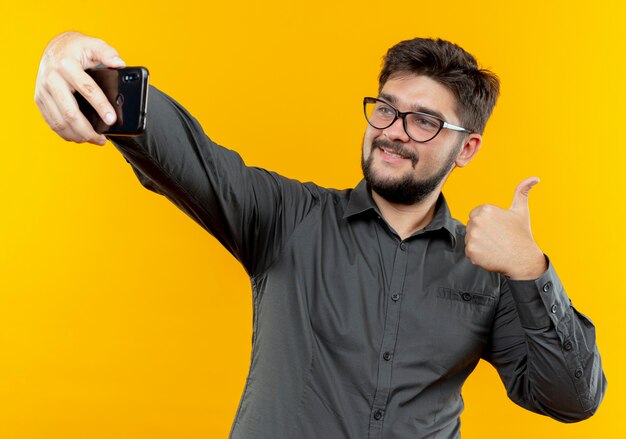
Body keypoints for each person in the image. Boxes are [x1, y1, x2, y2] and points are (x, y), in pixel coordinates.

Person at [35, 32, 606, 439]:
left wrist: (532, 271)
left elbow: (571, 400)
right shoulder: (287, 216)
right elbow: (191, 159)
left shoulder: (492, 268)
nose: (393, 133)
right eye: (385, 109)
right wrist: (86, 69)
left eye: (425, 120)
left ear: (468, 149)